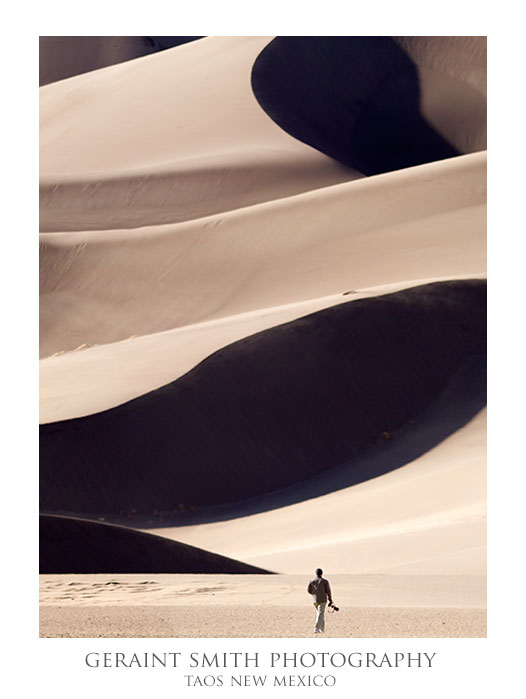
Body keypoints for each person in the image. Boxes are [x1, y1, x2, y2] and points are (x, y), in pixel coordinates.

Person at [307, 568, 333, 634]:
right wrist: (330, 600)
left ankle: (322, 629)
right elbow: (328, 591)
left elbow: (309, 590)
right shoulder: (325, 581)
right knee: (320, 614)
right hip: (323, 600)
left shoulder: (312, 581)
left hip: (315, 600)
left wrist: (315, 594)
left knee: (320, 614)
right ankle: (316, 628)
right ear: (322, 573)